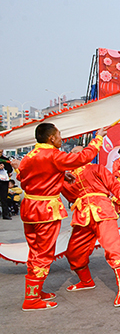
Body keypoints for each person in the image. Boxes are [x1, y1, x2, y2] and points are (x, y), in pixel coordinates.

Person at [13, 123, 106, 311]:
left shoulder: (29, 156)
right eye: (59, 135)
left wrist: (61, 176)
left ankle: (35, 291)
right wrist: (98, 138)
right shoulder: (53, 155)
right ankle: (31, 300)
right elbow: (82, 157)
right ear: (51, 138)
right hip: (45, 211)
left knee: (35, 251)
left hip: (29, 208)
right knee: (44, 253)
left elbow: (26, 178)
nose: (61, 138)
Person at [61, 146, 120, 307]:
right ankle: (86, 281)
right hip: (82, 216)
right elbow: (47, 186)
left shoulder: (96, 168)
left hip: (103, 210)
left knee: (112, 248)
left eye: (79, 151)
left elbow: (114, 184)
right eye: (73, 152)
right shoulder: (66, 177)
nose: (75, 154)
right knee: (73, 251)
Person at [0, 150, 14, 220]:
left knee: (4, 198)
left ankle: (5, 214)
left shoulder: (5, 159)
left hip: (3, 181)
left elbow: (10, 169)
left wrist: (4, 167)